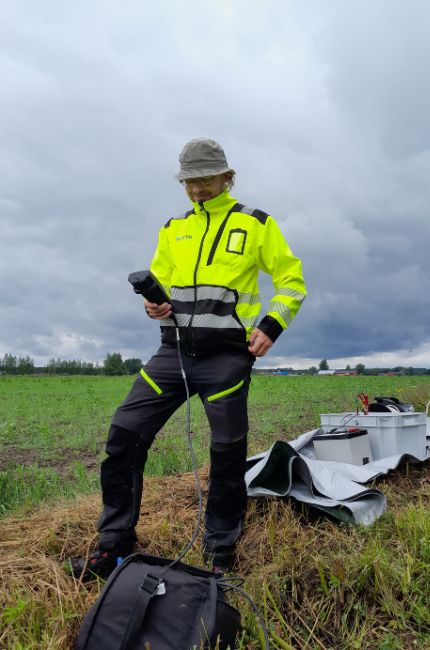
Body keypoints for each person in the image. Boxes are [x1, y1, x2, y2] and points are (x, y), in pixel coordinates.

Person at [68, 138, 306, 580]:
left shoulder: (256, 224)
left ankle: (220, 553)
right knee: (123, 437)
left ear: (226, 176)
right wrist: (153, 305)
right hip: (172, 355)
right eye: (188, 182)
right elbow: (162, 282)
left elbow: (292, 281)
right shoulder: (172, 228)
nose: (196, 189)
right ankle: (113, 547)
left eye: (204, 180)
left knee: (227, 456)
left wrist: (271, 325)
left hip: (227, 361)